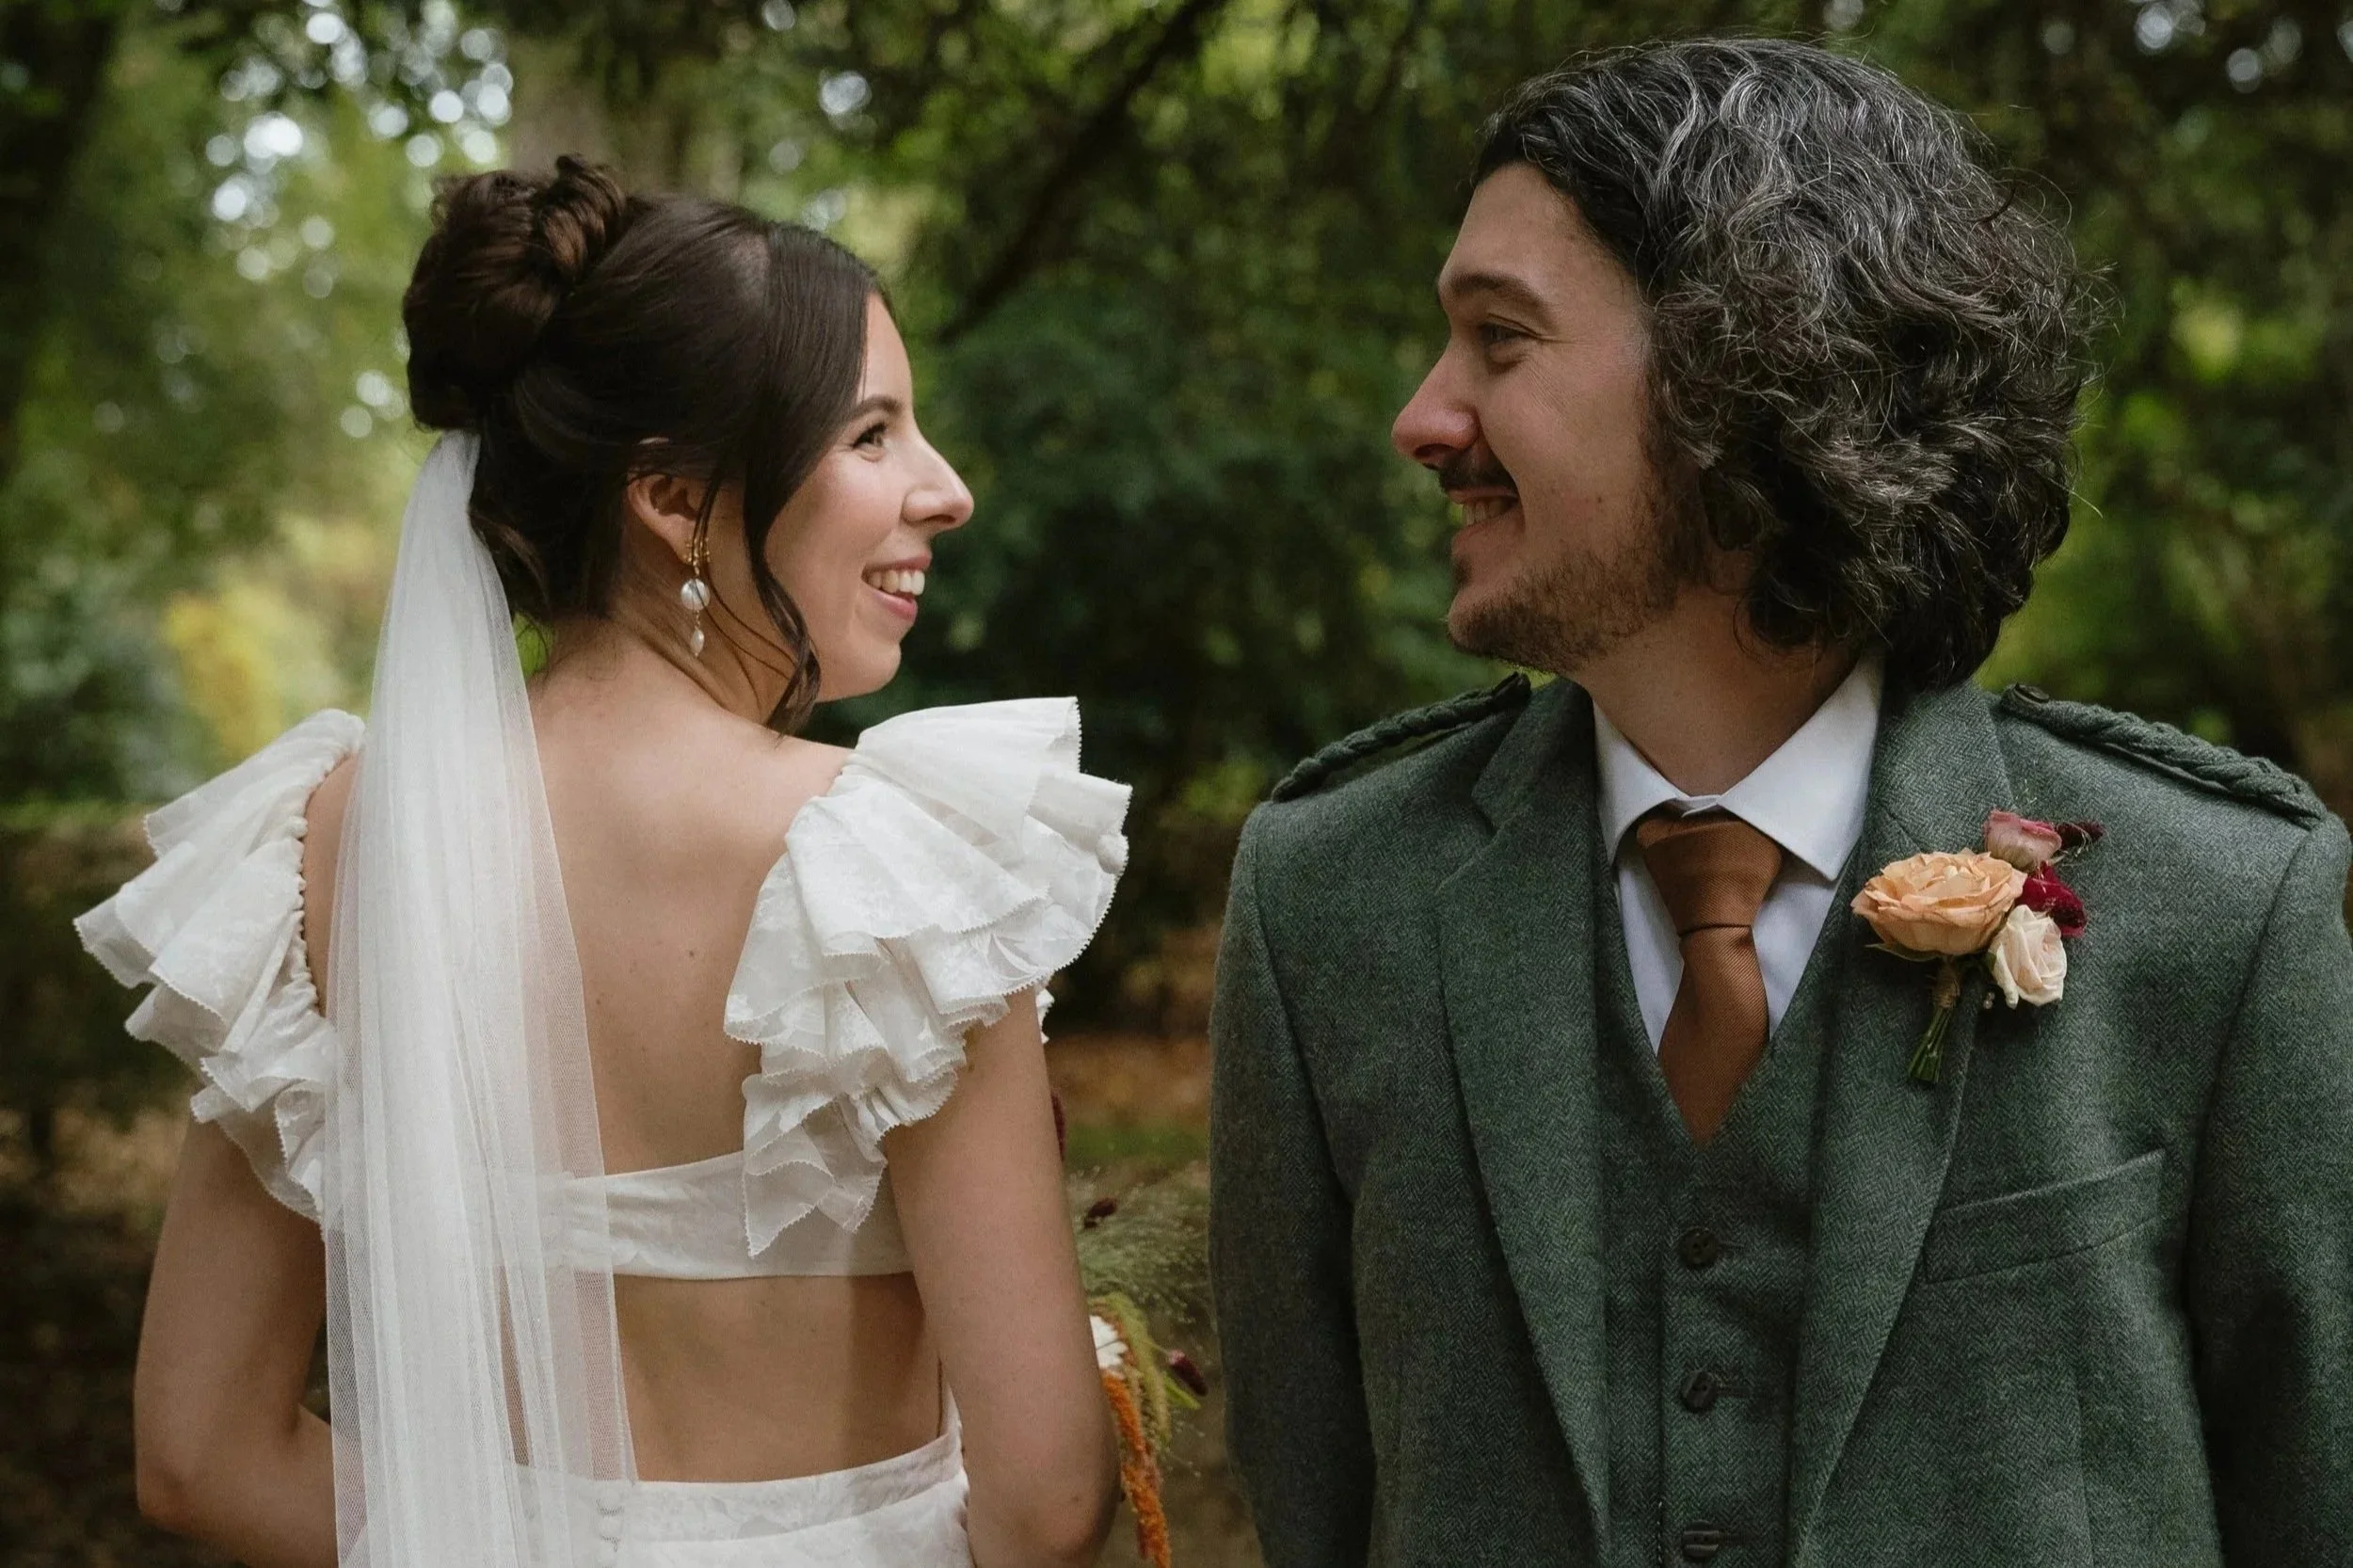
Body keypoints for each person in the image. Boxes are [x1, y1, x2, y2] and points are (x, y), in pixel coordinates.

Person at [1209, 38, 2353, 1567]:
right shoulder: (1326, 900)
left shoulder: (2221, 907)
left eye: (1500, 339)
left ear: (1744, 372)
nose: (1425, 418)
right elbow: (1315, 1503)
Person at [78, 157, 1126, 1568]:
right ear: (678, 502)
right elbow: (1049, 1498)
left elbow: (201, 1454)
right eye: (873, 434)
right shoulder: (889, 871)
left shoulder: (323, 851)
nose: (946, 491)